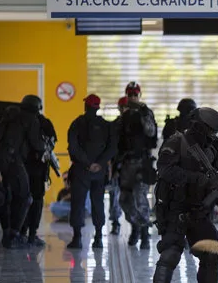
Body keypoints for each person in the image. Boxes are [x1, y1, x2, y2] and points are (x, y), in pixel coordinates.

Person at [147, 107, 218, 283]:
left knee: (212, 253)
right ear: (201, 127)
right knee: (170, 255)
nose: (213, 137)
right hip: (175, 210)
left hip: (198, 211)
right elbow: (164, 171)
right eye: (211, 132)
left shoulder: (210, 152)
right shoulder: (177, 143)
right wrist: (197, 179)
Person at [0, 104, 44, 249]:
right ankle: (14, 236)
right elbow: (37, 144)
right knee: (25, 197)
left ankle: (7, 232)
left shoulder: (3, 120)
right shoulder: (29, 120)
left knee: (3, 196)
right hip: (13, 161)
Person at [67, 94, 116, 249]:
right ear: (98, 107)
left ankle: (77, 238)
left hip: (81, 170)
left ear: (85, 106)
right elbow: (112, 148)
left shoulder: (77, 123)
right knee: (98, 203)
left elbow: (73, 146)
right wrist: (99, 164)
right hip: (99, 173)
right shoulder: (106, 126)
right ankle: (98, 238)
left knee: (78, 204)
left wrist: (87, 163)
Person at [118, 82, 158, 249]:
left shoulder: (146, 113)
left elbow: (151, 133)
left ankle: (144, 234)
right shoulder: (124, 117)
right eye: (130, 94)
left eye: (135, 94)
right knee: (125, 201)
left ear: (139, 95)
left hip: (142, 164)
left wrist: (144, 113)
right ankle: (136, 226)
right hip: (126, 165)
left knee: (140, 199)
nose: (133, 97)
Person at [20, 95, 57, 247]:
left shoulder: (16, 121)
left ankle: (19, 232)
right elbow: (51, 144)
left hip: (18, 169)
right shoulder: (43, 122)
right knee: (36, 201)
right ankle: (32, 234)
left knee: (20, 200)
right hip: (37, 170)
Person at [108, 96, 128, 235]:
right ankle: (115, 222)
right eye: (123, 107)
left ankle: (138, 228)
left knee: (135, 198)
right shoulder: (114, 126)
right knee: (114, 195)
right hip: (117, 165)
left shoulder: (137, 124)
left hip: (133, 165)